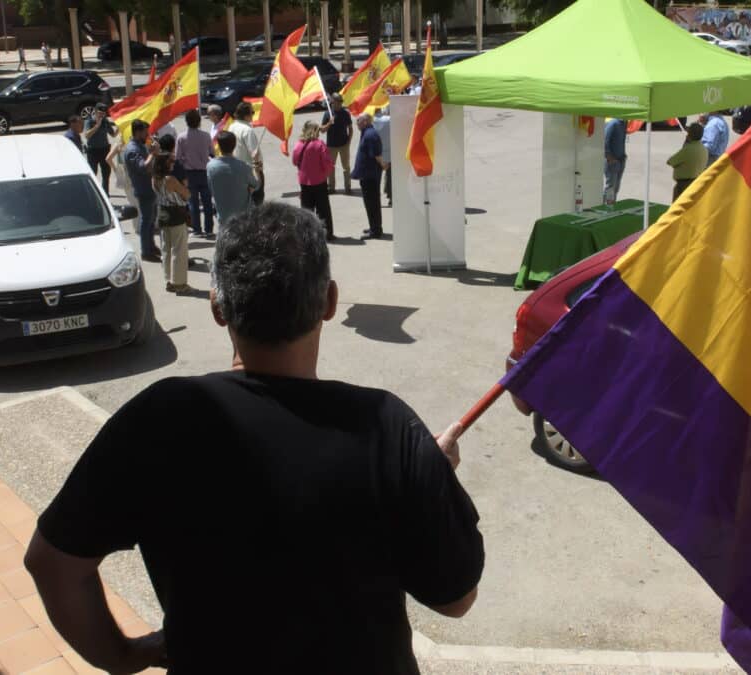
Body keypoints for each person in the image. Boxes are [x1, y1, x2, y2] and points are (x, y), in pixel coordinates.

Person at [24, 202, 483, 673]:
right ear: (328, 302)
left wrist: (120, 656)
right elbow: (456, 598)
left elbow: (52, 562)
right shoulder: (387, 426)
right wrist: (428, 479)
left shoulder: (159, 418)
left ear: (218, 308)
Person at [152, 153, 192, 293]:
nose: (173, 163)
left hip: (162, 215)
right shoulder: (170, 179)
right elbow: (186, 194)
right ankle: (179, 284)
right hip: (175, 215)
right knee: (179, 250)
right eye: (171, 161)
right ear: (165, 164)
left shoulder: (154, 179)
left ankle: (168, 280)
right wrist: (184, 186)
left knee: (166, 249)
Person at [123, 120, 160, 262]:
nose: (148, 134)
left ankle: (151, 246)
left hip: (150, 188)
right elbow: (143, 167)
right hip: (143, 189)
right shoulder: (133, 150)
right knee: (146, 221)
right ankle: (146, 251)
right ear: (138, 132)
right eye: (145, 132)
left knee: (151, 221)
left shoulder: (140, 145)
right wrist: (152, 153)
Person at [207, 130, 260, 230]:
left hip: (223, 216)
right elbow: (256, 185)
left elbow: (210, 187)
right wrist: (256, 163)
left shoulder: (210, 166)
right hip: (243, 218)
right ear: (234, 145)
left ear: (218, 145)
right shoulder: (244, 167)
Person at [292, 121, 335, 241]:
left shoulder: (299, 144)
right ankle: (327, 234)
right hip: (319, 181)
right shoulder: (319, 144)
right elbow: (328, 164)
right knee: (323, 209)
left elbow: (295, 161)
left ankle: (307, 236)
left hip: (304, 182)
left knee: (306, 210)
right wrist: (325, 172)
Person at [177, 109, 216, 238]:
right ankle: (209, 229)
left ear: (186, 122)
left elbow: (178, 157)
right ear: (199, 121)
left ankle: (197, 229)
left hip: (189, 174)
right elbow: (212, 153)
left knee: (193, 202)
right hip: (205, 172)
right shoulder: (206, 136)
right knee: (207, 202)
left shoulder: (181, 137)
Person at [352, 113, 387, 239]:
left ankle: (376, 230)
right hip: (367, 174)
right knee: (370, 203)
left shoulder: (370, 135)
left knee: (372, 203)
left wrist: (383, 165)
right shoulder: (366, 132)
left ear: (366, 121)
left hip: (370, 176)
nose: (356, 123)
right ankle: (374, 227)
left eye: (358, 120)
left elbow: (376, 154)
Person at [319, 93, 353, 194]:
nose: (340, 104)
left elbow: (350, 128)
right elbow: (322, 130)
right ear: (332, 102)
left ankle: (348, 187)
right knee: (330, 167)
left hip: (344, 145)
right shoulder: (327, 114)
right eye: (338, 102)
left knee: (346, 167)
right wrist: (329, 122)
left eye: (341, 102)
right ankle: (331, 188)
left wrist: (349, 142)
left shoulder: (345, 113)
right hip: (331, 146)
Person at [666, 122, 708, 202]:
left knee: (677, 209)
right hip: (696, 182)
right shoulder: (703, 149)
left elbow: (670, 161)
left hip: (684, 184)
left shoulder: (688, 149)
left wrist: (685, 144)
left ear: (690, 134)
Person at [84, 103, 116, 196]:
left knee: (106, 173)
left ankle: (105, 193)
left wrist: (120, 127)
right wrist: (97, 126)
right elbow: (87, 135)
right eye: (100, 113)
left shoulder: (105, 121)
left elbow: (113, 134)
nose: (102, 115)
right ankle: (93, 193)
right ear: (95, 111)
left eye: (104, 113)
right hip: (93, 151)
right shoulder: (89, 121)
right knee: (93, 173)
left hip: (104, 150)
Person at [603, 117, 626, 205]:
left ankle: (611, 205)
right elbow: (605, 140)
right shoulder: (614, 123)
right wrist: (609, 156)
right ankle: (607, 207)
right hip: (612, 161)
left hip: (620, 160)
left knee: (616, 187)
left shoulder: (624, 123)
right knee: (611, 187)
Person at [373, 107, 393, 207]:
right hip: (389, 152)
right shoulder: (389, 119)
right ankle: (391, 197)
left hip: (377, 154)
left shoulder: (371, 121)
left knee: (376, 178)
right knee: (390, 176)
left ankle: (375, 199)